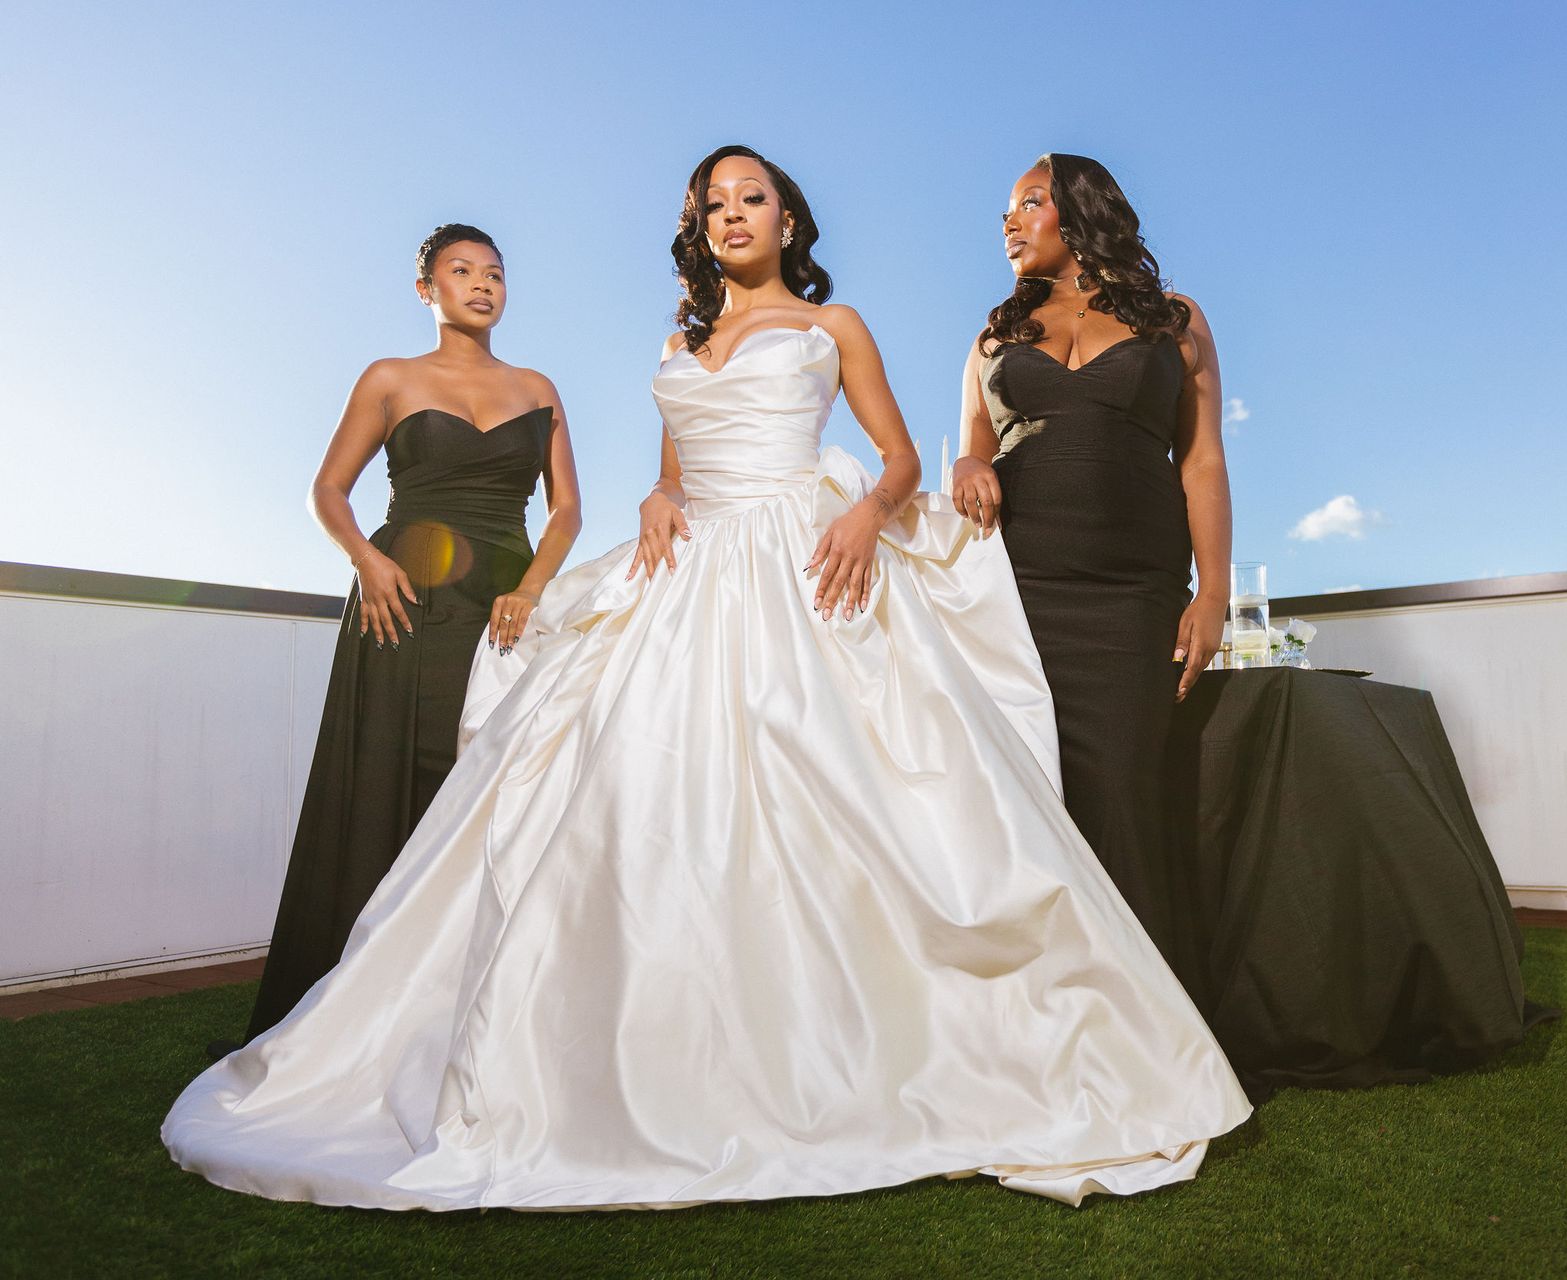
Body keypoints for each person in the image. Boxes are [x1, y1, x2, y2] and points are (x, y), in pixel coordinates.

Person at [162, 147, 1250, 1211]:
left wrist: (869, 513)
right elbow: (674, 472)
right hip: (691, 577)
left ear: (788, 219)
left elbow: (904, 457)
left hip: (807, 560)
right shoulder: (683, 338)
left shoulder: (836, 327)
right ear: (702, 229)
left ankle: (876, 1048)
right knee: (647, 808)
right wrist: (655, 499)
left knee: (844, 794)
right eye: (714, 203)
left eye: (752, 197)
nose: (732, 214)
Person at [229, 224, 580, 1049]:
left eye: (495, 273)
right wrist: (364, 562)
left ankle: (485, 997)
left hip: (507, 604)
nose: (482, 285)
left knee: (497, 786)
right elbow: (328, 487)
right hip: (404, 595)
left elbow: (565, 511)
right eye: (461, 272)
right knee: (393, 777)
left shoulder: (538, 387)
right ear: (428, 290)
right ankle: (361, 1001)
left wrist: (530, 589)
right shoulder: (390, 377)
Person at [952, 154, 1231, 952]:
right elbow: (970, 448)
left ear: (1080, 212)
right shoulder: (993, 335)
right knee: (1020, 798)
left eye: (1028, 203)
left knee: (1122, 794)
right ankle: (1031, 1018)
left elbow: (1203, 462)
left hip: (1131, 592)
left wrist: (1211, 595)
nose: (1009, 221)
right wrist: (970, 463)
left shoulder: (1174, 319)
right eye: (1007, 208)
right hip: (1014, 587)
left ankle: (1144, 1025)